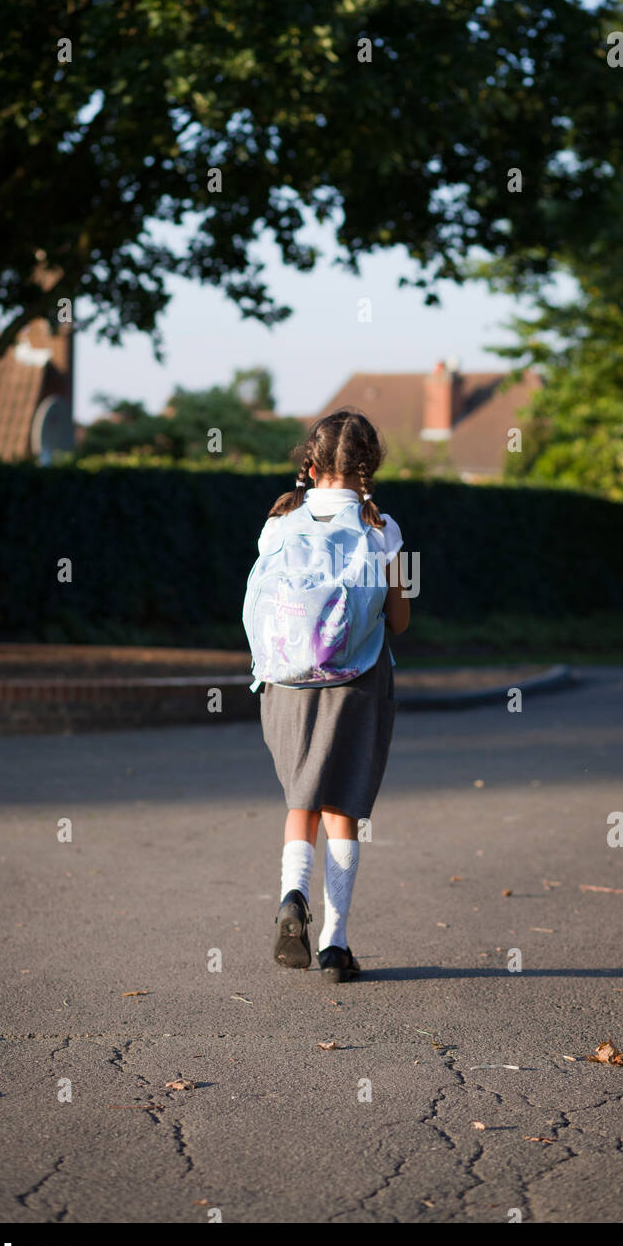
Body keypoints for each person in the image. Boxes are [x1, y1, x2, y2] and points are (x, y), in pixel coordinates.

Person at [248, 409, 410, 983]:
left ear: (309, 465)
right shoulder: (383, 529)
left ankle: (293, 893)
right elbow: (399, 620)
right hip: (357, 682)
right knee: (343, 809)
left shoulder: (279, 522)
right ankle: (336, 946)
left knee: (302, 804)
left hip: (286, 681)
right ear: (368, 470)